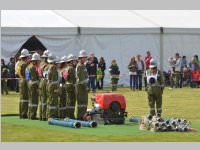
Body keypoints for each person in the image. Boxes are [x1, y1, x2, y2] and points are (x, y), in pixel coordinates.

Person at [26, 53, 41, 120]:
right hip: (34, 85)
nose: (39, 62)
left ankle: (29, 114)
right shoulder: (33, 68)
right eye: (38, 60)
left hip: (29, 84)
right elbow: (36, 78)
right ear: (35, 61)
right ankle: (33, 115)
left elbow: (27, 78)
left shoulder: (28, 66)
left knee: (31, 100)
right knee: (34, 101)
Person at [18, 49, 31, 119]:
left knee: (22, 98)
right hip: (24, 81)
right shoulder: (24, 64)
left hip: (20, 80)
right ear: (26, 56)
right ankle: (24, 113)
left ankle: (21, 113)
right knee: (25, 98)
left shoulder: (19, 63)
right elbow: (26, 74)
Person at [76, 50, 88, 120]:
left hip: (83, 86)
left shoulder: (83, 65)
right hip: (81, 86)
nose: (85, 59)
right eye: (84, 57)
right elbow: (81, 78)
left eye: (85, 57)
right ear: (80, 58)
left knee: (84, 102)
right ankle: (80, 116)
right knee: (81, 102)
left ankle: (83, 115)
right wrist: (85, 87)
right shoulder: (80, 66)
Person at [47, 53, 59, 119]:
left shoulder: (48, 66)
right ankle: (52, 115)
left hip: (49, 84)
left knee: (50, 100)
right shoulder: (53, 67)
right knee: (53, 100)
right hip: (53, 85)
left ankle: (49, 114)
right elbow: (54, 78)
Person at [39, 50, 50, 121]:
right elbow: (47, 76)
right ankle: (45, 116)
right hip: (45, 82)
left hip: (41, 81)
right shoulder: (47, 66)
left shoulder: (41, 64)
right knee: (46, 99)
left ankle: (41, 116)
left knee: (42, 99)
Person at [65, 54, 77, 119]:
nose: (75, 62)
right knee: (71, 101)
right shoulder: (71, 68)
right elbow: (73, 79)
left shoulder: (66, 68)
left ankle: (68, 114)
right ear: (71, 61)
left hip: (67, 84)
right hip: (71, 86)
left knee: (68, 100)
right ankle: (70, 115)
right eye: (74, 60)